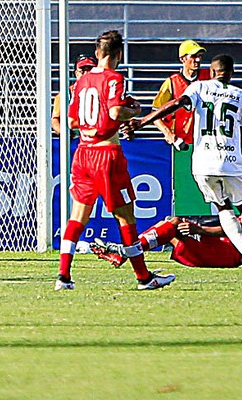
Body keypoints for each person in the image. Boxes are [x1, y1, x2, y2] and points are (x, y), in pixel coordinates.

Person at [56, 29, 175, 291]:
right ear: (118, 54)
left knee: (77, 216)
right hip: (106, 155)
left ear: (98, 53)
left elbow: (73, 121)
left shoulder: (82, 82)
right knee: (125, 218)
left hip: (83, 153)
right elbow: (115, 110)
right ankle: (144, 278)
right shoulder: (114, 79)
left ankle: (63, 276)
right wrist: (134, 109)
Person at [127, 54, 242, 269]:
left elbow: (178, 103)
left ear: (212, 72)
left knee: (222, 207)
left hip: (203, 163)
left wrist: (142, 121)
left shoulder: (199, 87)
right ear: (232, 73)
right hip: (231, 160)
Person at [91, 215, 242, 269]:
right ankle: (125, 253)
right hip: (221, 249)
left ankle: (125, 252)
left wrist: (199, 230)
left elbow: (235, 230)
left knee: (172, 225)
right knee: (170, 224)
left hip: (227, 254)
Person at [151, 39, 210, 150]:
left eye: (200, 56)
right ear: (182, 59)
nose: (197, 59)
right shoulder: (171, 82)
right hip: (181, 144)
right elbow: (155, 114)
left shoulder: (209, 77)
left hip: (206, 143)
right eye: (193, 56)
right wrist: (169, 135)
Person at [51, 54, 96, 136]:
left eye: (89, 70)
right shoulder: (66, 94)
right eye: (82, 71)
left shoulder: (102, 91)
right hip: (73, 138)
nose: (86, 74)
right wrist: (64, 133)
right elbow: (55, 120)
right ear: (76, 73)